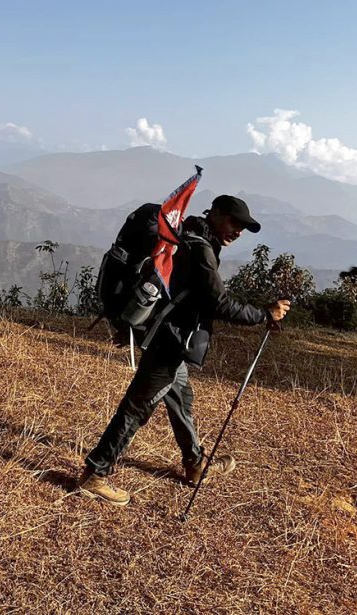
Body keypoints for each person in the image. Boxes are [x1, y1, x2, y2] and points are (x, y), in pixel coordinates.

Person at [78, 194, 291, 505]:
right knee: (136, 408)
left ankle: (194, 463)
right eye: (234, 222)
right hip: (171, 340)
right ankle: (96, 473)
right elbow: (220, 303)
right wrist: (264, 314)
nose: (238, 231)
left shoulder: (190, 234)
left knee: (180, 399)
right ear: (216, 214)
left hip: (171, 338)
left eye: (243, 227)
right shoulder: (201, 249)